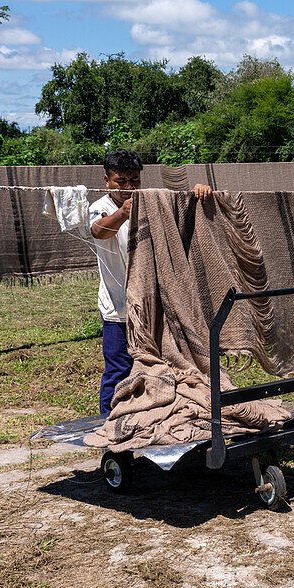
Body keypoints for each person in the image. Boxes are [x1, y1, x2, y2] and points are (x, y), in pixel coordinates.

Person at [89, 150, 211, 416]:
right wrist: (123, 212)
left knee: (160, 365)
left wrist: (199, 193)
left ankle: (148, 415)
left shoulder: (151, 201)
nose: (128, 187)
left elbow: (181, 209)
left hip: (155, 306)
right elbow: (98, 230)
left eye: (134, 180)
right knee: (119, 368)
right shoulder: (102, 206)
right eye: (121, 181)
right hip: (119, 308)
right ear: (107, 181)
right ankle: (107, 422)